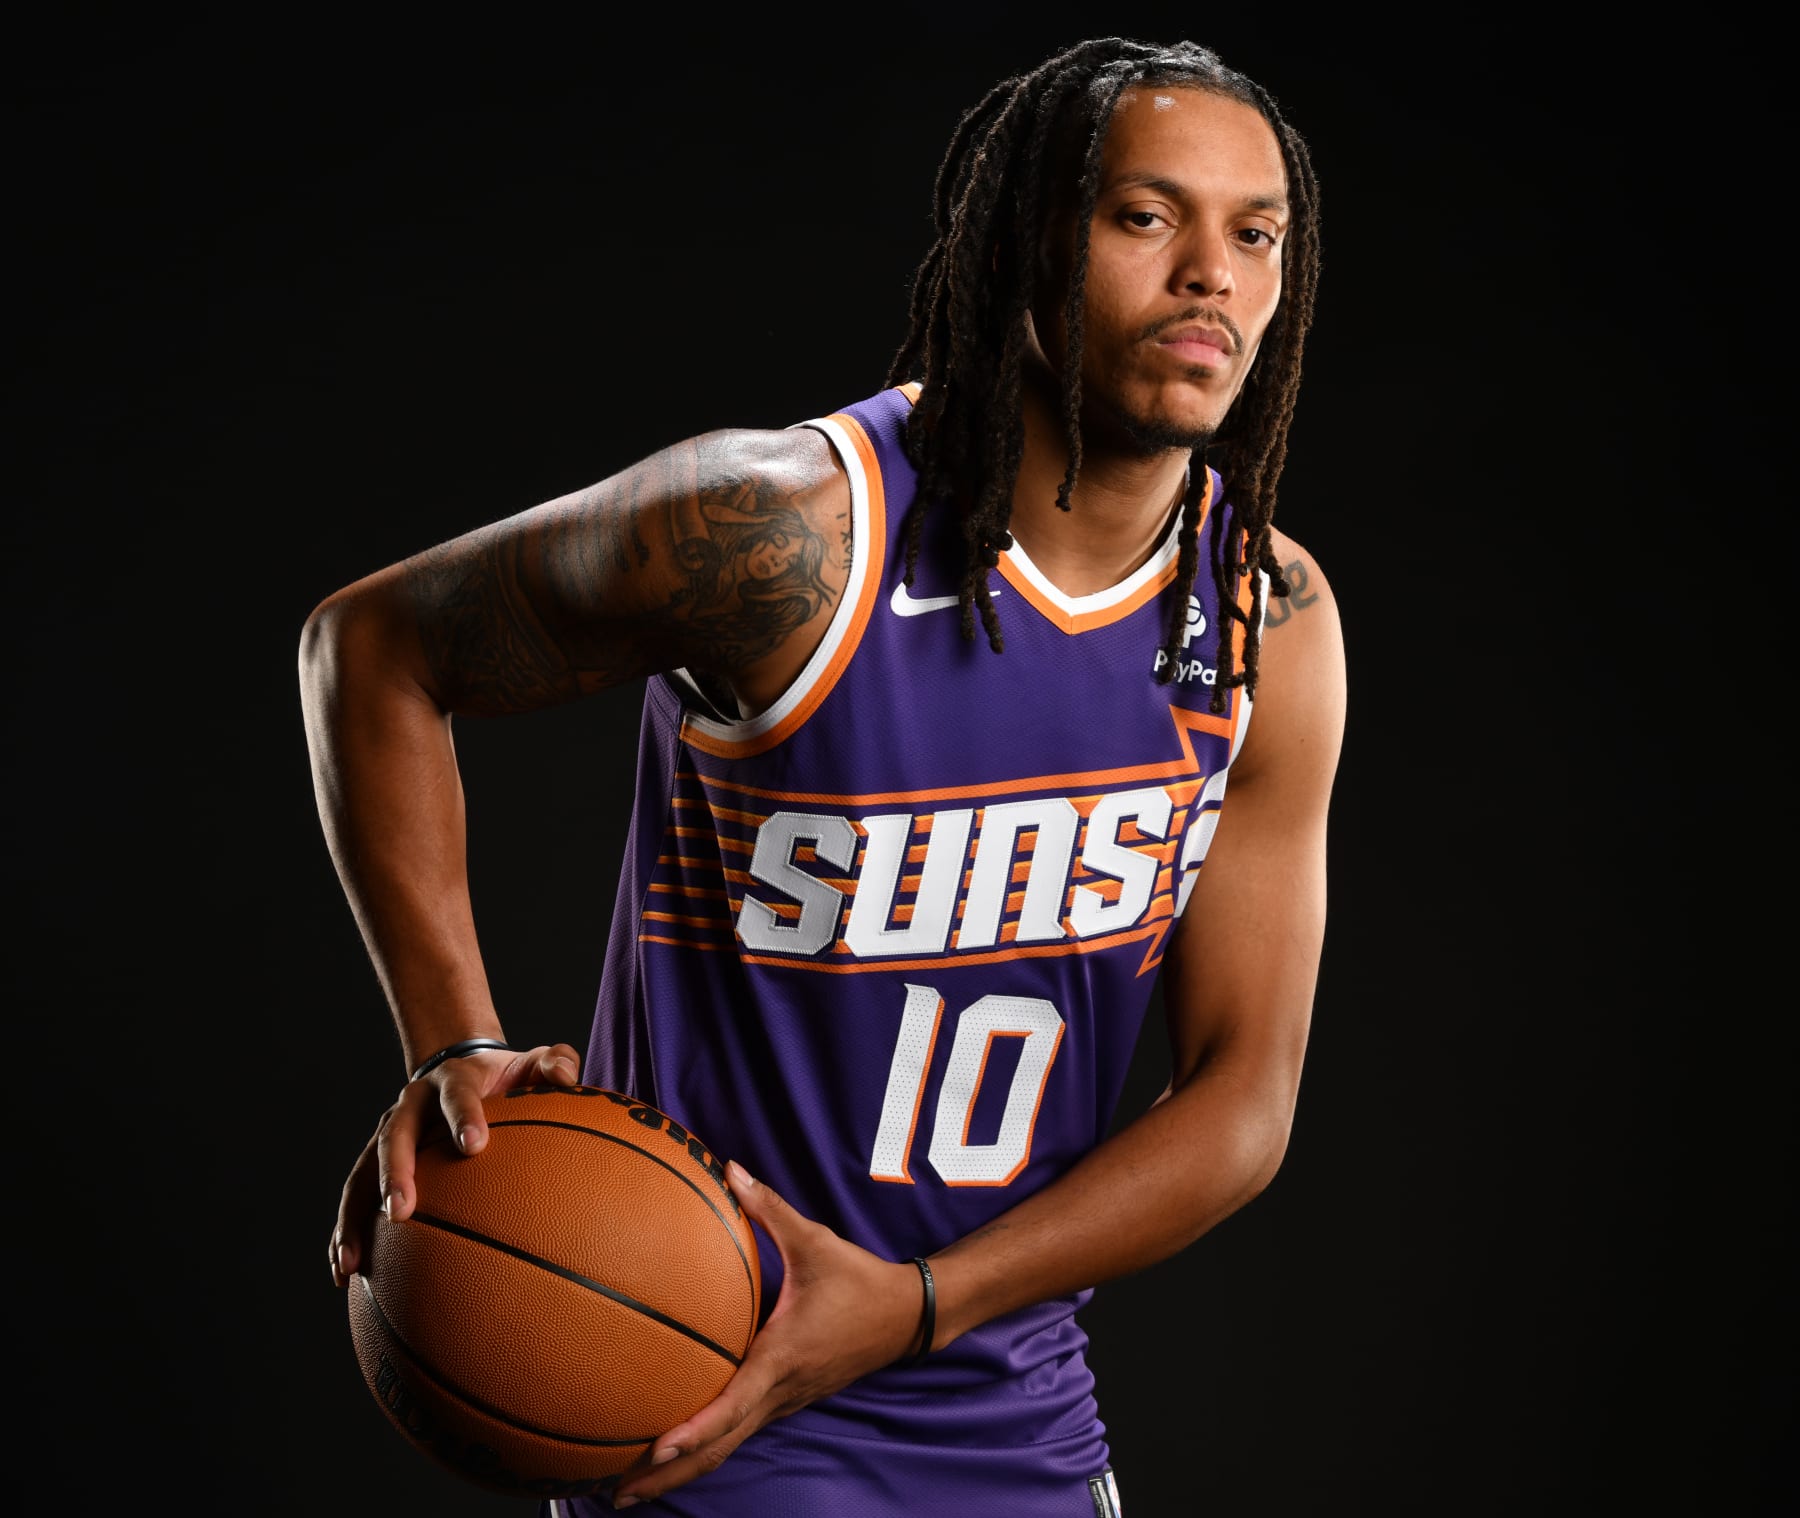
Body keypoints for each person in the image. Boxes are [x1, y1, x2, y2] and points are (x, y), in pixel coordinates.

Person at [301, 34, 1345, 1517]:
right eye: (1145, 216)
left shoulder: (1262, 618)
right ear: (1027, 242)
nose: (1211, 276)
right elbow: (373, 651)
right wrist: (448, 1045)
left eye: (1256, 235)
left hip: (1013, 1417)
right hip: (694, 1397)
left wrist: (920, 1299)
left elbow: (1245, 1095)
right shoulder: (791, 533)